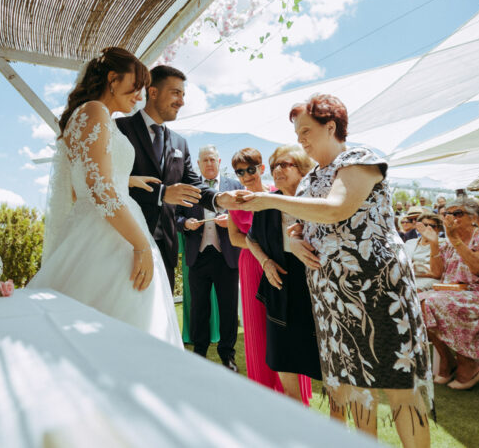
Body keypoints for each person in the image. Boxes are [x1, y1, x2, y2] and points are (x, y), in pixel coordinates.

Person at [232, 94, 432, 447]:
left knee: (399, 384)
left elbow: (337, 207)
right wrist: (295, 240)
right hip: (331, 299)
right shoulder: (309, 180)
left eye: (306, 130)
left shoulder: (360, 159)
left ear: (331, 126)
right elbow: (299, 227)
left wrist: (267, 199)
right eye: (297, 133)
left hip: (378, 290)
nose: (301, 139)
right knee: (353, 387)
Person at [29, 47, 180, 346]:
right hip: (109, 237)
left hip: (96, 227)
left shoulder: (92, 115)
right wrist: (141, 245)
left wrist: (126, 179)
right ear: (113, 79)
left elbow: (83, 181)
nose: (139, 96)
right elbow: (99, 188)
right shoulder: (95, 111)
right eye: (135, 86)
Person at [115, 65, 241, 292]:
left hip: (166, 247)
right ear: (153, 92)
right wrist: (162, 194)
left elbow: (194, 184)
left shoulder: (180, 142)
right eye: (175, 93)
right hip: (125, 242)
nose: (182, 101)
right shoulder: (119, 129)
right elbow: (108, 182)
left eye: (183, 95)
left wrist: (220, 199)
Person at [227, 145, 316, 403]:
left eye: (250, 169)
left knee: (294, 330)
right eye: (240, 171)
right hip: (255, 263)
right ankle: (264, 391)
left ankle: (298, 394)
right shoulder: (236, 201)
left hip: (291, 265)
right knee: (259, 328)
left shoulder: (279, 195)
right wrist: (265, 258)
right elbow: (238, 238)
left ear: (260, 168)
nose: (246, 175)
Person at [420, 197, 479, 390]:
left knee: (434, 302)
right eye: (447, 213)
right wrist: (434, 243)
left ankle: (469, 365)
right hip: (456, 292)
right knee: (416, 302)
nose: (451, 217)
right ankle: (448, 360)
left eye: (458, 213)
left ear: (473, 217)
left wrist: (455, 240)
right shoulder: (448, 242)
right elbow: (437, 273)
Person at [177, 145, 243, 370]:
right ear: (198, 164)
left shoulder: (234, 186)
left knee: (228, 308)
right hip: (198, 256)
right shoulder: (190, 188)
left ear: (219, 161)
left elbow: (245, 215)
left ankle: (227, 354)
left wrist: (231, 220)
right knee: (199, 308)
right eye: (204, 160)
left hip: (227, 257)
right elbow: (175, 217)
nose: (209, 163)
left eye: (212, 159)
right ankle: (199, 353)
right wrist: (185, 224)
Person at [404, 213, 445, 291]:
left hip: (431, 280)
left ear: (438, 229)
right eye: (425, 225)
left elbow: (438, 273)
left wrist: (417, 269)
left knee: (413, 290)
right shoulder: (410, 243)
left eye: (432, 226)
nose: (428, 228)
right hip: (410, 278)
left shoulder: (443, 243)